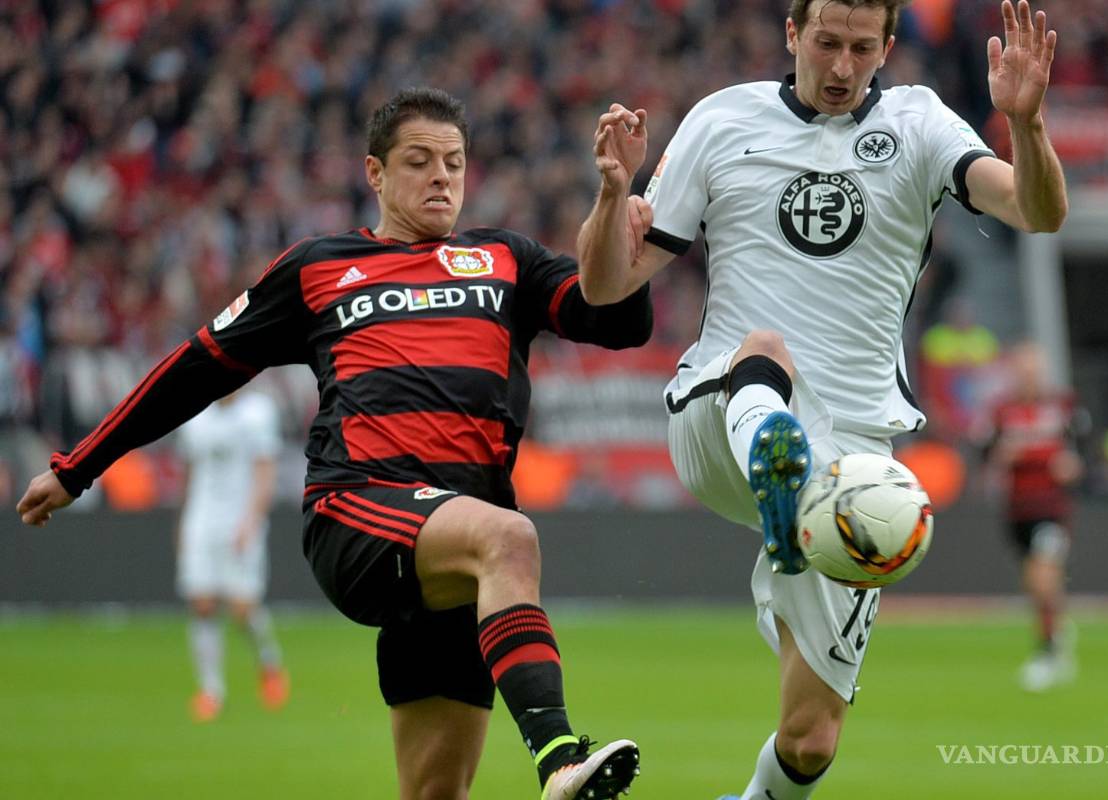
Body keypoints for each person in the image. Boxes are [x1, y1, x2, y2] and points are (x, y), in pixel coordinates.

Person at [18, 88, 649, 800]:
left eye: (454, 162)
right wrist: (80, 466)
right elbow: (193, 370)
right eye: (419, 162)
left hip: (454, 549)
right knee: (511, 540)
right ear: (375, 174)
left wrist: (615, 195)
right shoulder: (320, 267)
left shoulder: (506, 260)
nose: (442, 177)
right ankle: (560, 758)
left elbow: (615, 321)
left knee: (435, 791)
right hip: (356, 511)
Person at [577, 1, 1067, 797]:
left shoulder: (919, 124)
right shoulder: (721, 120)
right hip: (719, 414)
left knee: (810, 741)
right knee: (766, 352)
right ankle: (778, 465)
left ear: (888, 46)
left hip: (854, 466)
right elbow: (603, 286)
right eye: (828, 44)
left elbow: (1039, 211)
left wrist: (1029, 123)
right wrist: (611, 194)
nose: (842, 67)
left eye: (862, 48)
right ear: (792, 34)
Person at [175, 388, 290, 721]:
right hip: (201, 519)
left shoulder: (258, 412)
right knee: (202, 603)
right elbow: (189, 474)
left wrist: (253, 519)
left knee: (242, 609)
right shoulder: (195, 416)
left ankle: (269, 663)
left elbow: (265, 470)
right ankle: (211, 691)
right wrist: (183, 523)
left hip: (240, 519)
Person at [981, 342, 1088, 692]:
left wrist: (1073, 468)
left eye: (1034, 369)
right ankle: (1056, 629)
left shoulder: (1063, 407)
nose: (1029, 376)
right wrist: (1001, 456)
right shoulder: (1001, 411)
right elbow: (985, 454)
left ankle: (1048, 653)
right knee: (1035, 583)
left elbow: (1083, 453)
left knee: (1043, 577)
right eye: (1022, 369)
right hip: (1017, 509)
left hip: (1051, 509)